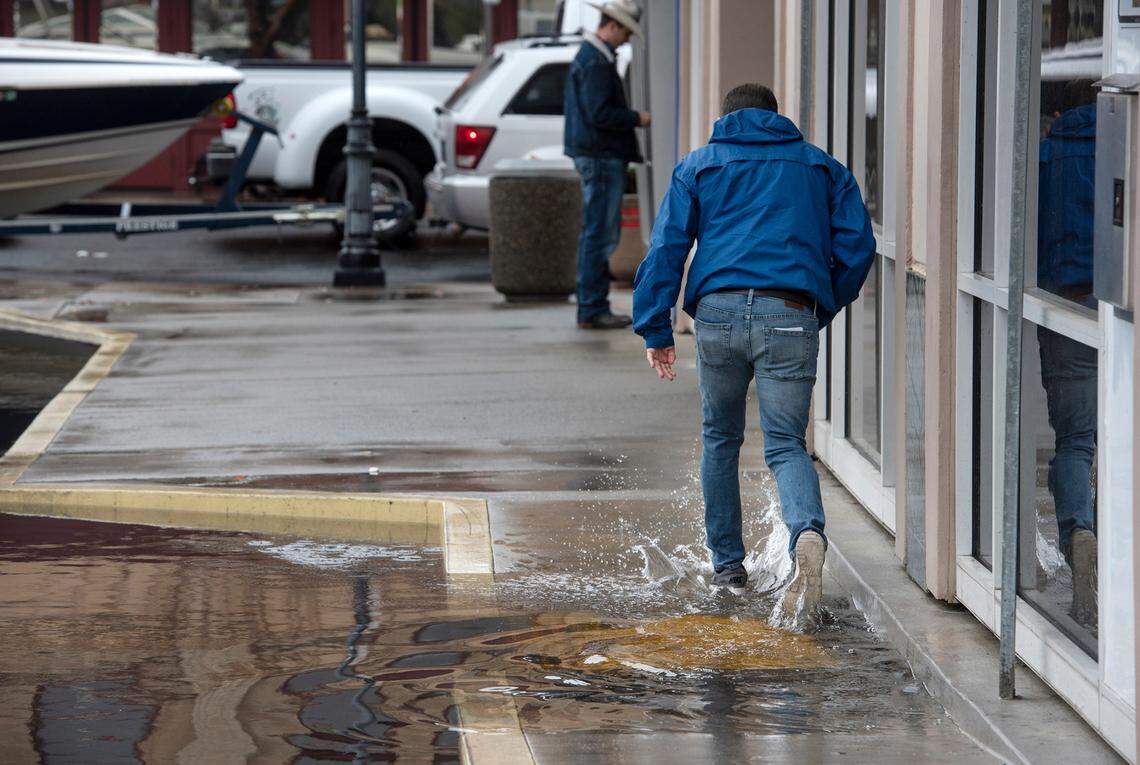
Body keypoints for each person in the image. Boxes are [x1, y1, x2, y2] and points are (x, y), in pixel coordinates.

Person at [632, 84, 875, 621]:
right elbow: (858, 247)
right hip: (790, 311)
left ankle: (728, 568)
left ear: (726, 118)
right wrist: (819, 304)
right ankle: (807, 536)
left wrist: (656, 329)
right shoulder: (820, 167)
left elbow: (668, 247)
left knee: (720, 439)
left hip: (716, 314)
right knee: (786, 443)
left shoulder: (700, 167)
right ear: (776, 116)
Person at [1036, 80, 1098, 625]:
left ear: (1056, 111)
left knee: (1076, 442)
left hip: (1066, 307)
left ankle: (1081, 532)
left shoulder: (1043, 158)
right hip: (1124, 312)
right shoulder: (1128, 150)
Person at [564, 0, 651, 330]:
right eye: (626, 32)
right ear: (612, 26)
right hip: (601, 155)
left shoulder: (591, 57)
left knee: (596, 232)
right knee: (599, 234)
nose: (627, 40)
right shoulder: (597, 62)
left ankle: (592, 305)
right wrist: (637, 118)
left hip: (594, 153)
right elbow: (600, 114)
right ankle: (592, 307)